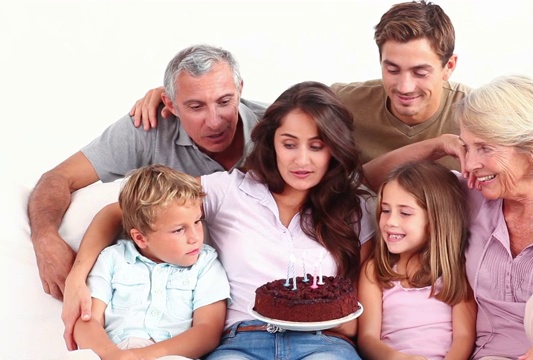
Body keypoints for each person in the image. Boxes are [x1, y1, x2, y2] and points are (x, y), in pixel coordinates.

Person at [129, 1, 533, 211]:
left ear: (450, 66)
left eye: (420, 71)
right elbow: (275, 116)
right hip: (368, 245)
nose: (403, 85)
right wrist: (169, 98)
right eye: (392, 68)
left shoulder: (478, 114)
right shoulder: (346, 99)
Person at [64, 81, 377, 359]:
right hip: (241, 342)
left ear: (334, 149)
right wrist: (77, 279)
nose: (301, 160)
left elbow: (353, 318)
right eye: (289, 144)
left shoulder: (354, 209)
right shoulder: (229, 189)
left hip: (323, 346)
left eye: (317, 146)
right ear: (272, 143)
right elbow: (119, 211)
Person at [365, 75, 533, 359]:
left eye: (484, 148)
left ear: (532, 152)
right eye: (467, 147)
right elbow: (369, 180)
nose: (470, 163)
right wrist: (439, 145)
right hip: (497, 352)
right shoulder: (470, 193)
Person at [27, 44, 266, 302]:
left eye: (224, 101)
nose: (215, 121)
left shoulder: (282, 129)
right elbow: (57, 178)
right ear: (170, 104)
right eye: (196, 107)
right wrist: (45, 238)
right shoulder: (148, 125)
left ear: (240, 89)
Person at [63, 164, 229, 360]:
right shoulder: (112, 259)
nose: (194, 237)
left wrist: (139, 356)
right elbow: (86, 321)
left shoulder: (205, 264)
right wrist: (113, 354)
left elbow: (207, 332)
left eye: (197, 222)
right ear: (141, 238)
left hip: (170, 355)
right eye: (178, 230)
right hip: (113, 352)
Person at [358, 160, 477, 360]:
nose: (391, 222)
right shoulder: (375, 271)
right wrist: (397, 358)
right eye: (386, 210)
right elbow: (367, 338)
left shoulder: (456, 271)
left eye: (405, 213)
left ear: (436, 219)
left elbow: (464, 337)